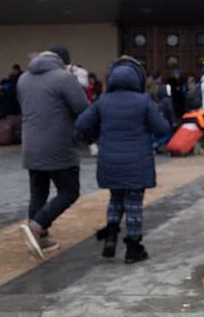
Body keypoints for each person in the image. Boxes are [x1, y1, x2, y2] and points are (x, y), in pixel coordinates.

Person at [75, 56, 170, 263]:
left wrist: (99, 133)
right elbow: (162, 128)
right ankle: (133, 249)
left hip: (110, 161)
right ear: (138, 79)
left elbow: (81, 124)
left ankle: (110, 237)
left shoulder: (103, 101)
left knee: (115, 199)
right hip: (137, 162)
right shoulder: (144, 101)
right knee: (134, 204)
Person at [17, 46, 89, 260]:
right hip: (58, 144)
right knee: (69, 190)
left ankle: (39, 238)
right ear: (65, 62)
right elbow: (82, 108)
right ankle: (36, 227)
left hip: (30, 144)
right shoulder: (64, 78)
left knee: (38, 192)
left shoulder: (24, 78)